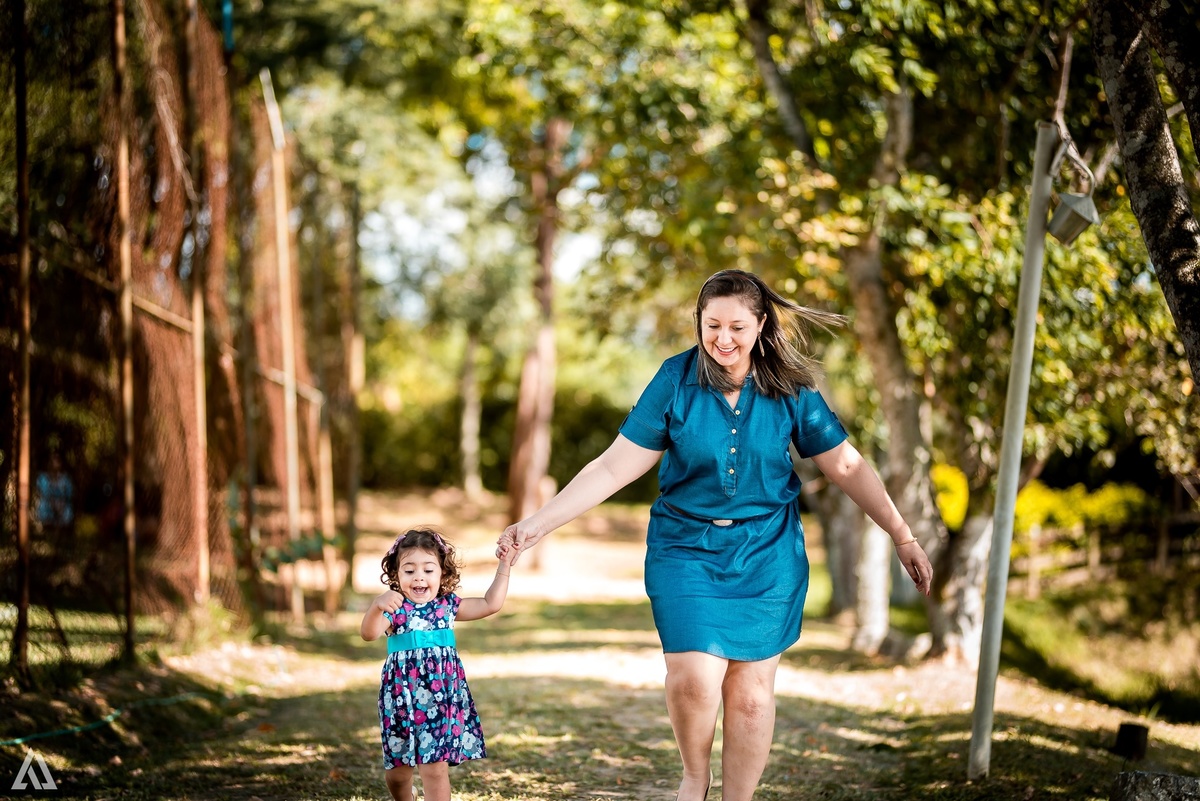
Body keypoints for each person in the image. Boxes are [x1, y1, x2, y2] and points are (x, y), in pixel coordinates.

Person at [496, 269, 933, 801]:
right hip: (685, 550)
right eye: (712, 325)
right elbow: (613, 467)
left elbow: (845, 465)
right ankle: (694, 778)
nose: (723, 339)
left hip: (767, 555)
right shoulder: (675, 379)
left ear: (761, 325)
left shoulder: (791, 388)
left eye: (737, 327)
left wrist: (901, 533)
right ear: (698, 323)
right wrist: (536, 526)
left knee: (750, 697)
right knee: (694, 679)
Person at [361, 526, 515, 801]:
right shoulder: (396, 608)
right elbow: (369, 633)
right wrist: (377, 606)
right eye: (409, 571)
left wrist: (505, 565)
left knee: (434, 769)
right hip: (401, 700)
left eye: (428, 570)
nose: (419, 577)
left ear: (442, 574)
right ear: (396, 574)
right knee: (399, 773)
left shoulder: (448, 607)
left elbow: (491, 604)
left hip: (441, 699)